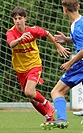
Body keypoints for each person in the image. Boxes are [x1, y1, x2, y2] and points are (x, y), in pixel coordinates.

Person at [6, 6, 70, 123]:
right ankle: (48, 117)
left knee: (29, 91)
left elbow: (47, 33)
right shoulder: (11, 33)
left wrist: (58, 46)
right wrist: (20, 39)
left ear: (25, 18)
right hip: (20, 69)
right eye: (15, 19)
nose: (17, 21)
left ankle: (47, 104)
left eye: (20, 18)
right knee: (32, 98)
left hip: (34, 65)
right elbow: (11, 44)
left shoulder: (32, 30)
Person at [40, 0, 83, 130]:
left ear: (64, 9)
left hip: (80, 64)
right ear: (78, 7)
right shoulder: (80, 22)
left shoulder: (77, 27)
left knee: (57, 91)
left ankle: (62, 119)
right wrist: (67, 39)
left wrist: (70, 63)